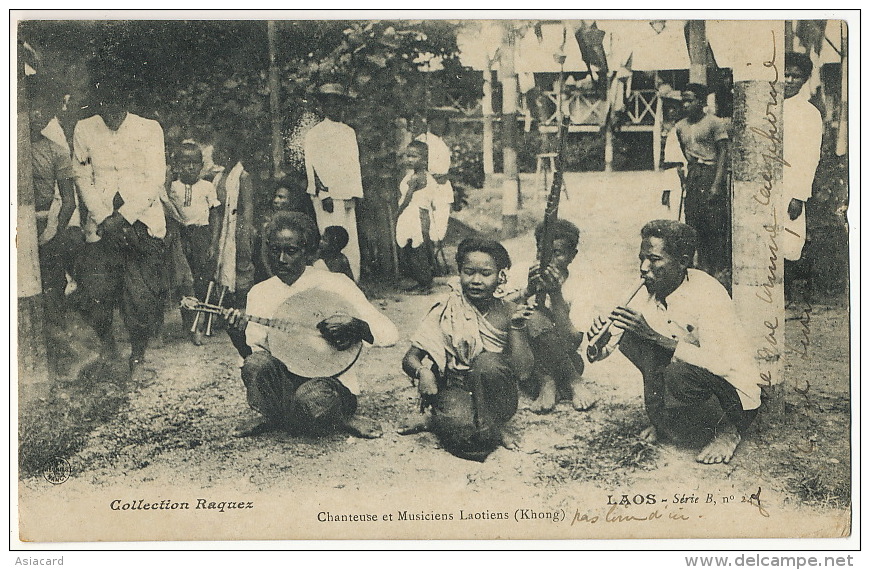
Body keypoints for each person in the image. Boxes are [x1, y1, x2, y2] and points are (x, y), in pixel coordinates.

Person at [585, 220, 760, 464]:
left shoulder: (708, 293)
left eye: (654, 259)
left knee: (675, 369)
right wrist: (598, 343)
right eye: (642, 258)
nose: (644, 268)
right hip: (689, 380)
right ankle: (665, 422)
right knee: (629, 333)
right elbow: (607, 348)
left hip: (733, 394)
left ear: (683, 261)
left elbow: (722, 365)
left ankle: (728, 431)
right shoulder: (646, 288)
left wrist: (655, 338)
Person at [227, 211, 398, 439]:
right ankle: (274, 415)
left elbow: (389, 334)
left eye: (291, 251)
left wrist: (357, 325)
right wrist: (238, 336)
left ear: (308, 252)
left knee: (312, 399)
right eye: (275, 250)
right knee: (255, 364)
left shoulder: (335, 284)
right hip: (287, 385)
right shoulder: (260, 292)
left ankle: (342, 417)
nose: (281, 260)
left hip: (328, 384)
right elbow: (257, 356)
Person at [399, 238, 536, 461]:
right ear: (459, 272)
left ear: (501, 276)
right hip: (455, 389)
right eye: (469, 272)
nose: (476, 280)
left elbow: (523, 372)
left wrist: (517, 327)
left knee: (487, 363)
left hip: (495, 395)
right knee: (471, 444)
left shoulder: (511, 312)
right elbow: (410, 358)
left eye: (485, 273)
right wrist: (423, 372)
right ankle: (439, 418)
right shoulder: (447, 308)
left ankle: (491, 425)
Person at [72, 76, 168, 374]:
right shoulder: (84, 128)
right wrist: (104, 218)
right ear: (97, 101)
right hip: (101, 226)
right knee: (95, 292)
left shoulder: (148, 129)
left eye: (118, 101)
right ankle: (107, 347)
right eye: (104, 101)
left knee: (140, 296)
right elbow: (82, 178)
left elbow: (155, 178)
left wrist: (124, 216)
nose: (111, 109)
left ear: (129, 99)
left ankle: (137, 356)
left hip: (141, 221)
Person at [505, 219, 596, 413]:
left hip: (563, 353)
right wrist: (527, 291)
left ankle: (554, 381)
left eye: (557, 253)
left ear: (572, 256)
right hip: (523, 354)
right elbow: (500, 310)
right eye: (542, 252)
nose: (547, 260)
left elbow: (572, 340)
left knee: (575, 361)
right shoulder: (521, 271)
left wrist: (555, 293)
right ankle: (563, 381)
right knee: (531, 315)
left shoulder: (582, 283)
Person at [29, 86, 80, 328]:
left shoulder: (56, 151)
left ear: (51, 116)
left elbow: (69, 200)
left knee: (52, 287)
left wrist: (54, 234)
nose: (37, 114)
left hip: (44, 225)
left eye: (44, 111)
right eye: (32, 108)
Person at [303, 83, 363, 281]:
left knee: (349, 239)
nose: (334, 108)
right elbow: (311, 166)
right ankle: (332, 281)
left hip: (346, 194)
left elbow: (353, 165)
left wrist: (354, 194)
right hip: (327, 196)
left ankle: (352, 280)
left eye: (338, 104)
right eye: (329, 104)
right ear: (322, 107)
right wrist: (324, 194)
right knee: (330, 239)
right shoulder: (315, 133)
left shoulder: (348, 132)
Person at [674, 83, 730, 280]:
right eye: (684, 101)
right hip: (694, 176)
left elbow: (723, 152)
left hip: (711, 173)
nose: (686, 105)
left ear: (702, 102)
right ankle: (701, 267)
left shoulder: (714, 123)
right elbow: (683, 152)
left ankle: (718, 269)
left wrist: (716, 184)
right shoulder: (680, 126)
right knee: (693, 221)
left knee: (714, 224)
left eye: (690, 100)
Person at [165, 142, 220, 344]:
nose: (190, 167)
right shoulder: (172, 187)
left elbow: (215, 215)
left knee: (202, 280)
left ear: (201, 165)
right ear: (177, 165)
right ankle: (189, 325)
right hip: (180, 236)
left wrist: (213, 243)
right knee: (184, 282)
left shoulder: (207, 186)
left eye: (194, 163)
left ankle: (203, 323)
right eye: (184, 162)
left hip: (201, 236)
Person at [209, 131, 256, 359]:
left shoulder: (242, 176)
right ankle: (224, 314)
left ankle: (242, 312)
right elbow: (217, 210)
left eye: (224, 152)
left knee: (242, 269)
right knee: (222, 271)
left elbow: (247, 208)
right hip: (223, 232)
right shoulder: (218, 178)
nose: (220, 156)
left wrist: (244, 234)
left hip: (238, 229)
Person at [783, 52, 824, 303]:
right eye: (785, 75)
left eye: (795, 76)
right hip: (765, 182)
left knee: (788, 239)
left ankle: (786, 293)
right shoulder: (767, 106)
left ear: (804, 79)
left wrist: (798, 195)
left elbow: (810, 157)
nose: (788, 80)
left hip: (791, 183)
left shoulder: (809, 113)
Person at [415, 111, 455, 273]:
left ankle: (434, 262)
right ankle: (428, 265)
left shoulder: (442, 143)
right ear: (429, 122)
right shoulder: (421, 140)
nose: (440, 125)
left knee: (440, 226)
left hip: (443, 189)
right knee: (426, 227)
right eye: (437, 121)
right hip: (427, 187)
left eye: (443, 121)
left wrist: (444, 176)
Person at [396, 140, 436, 293]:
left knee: (417, 249)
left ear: (424, 159)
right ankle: (421, 281)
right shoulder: (422, 176)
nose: (410, 159)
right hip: (417, 214)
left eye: (414, 156)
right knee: (415, 248)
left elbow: (407, 199)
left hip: (413, 214)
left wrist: (397, 213)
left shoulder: (416, 178)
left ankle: (425, 283)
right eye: (408, 156)